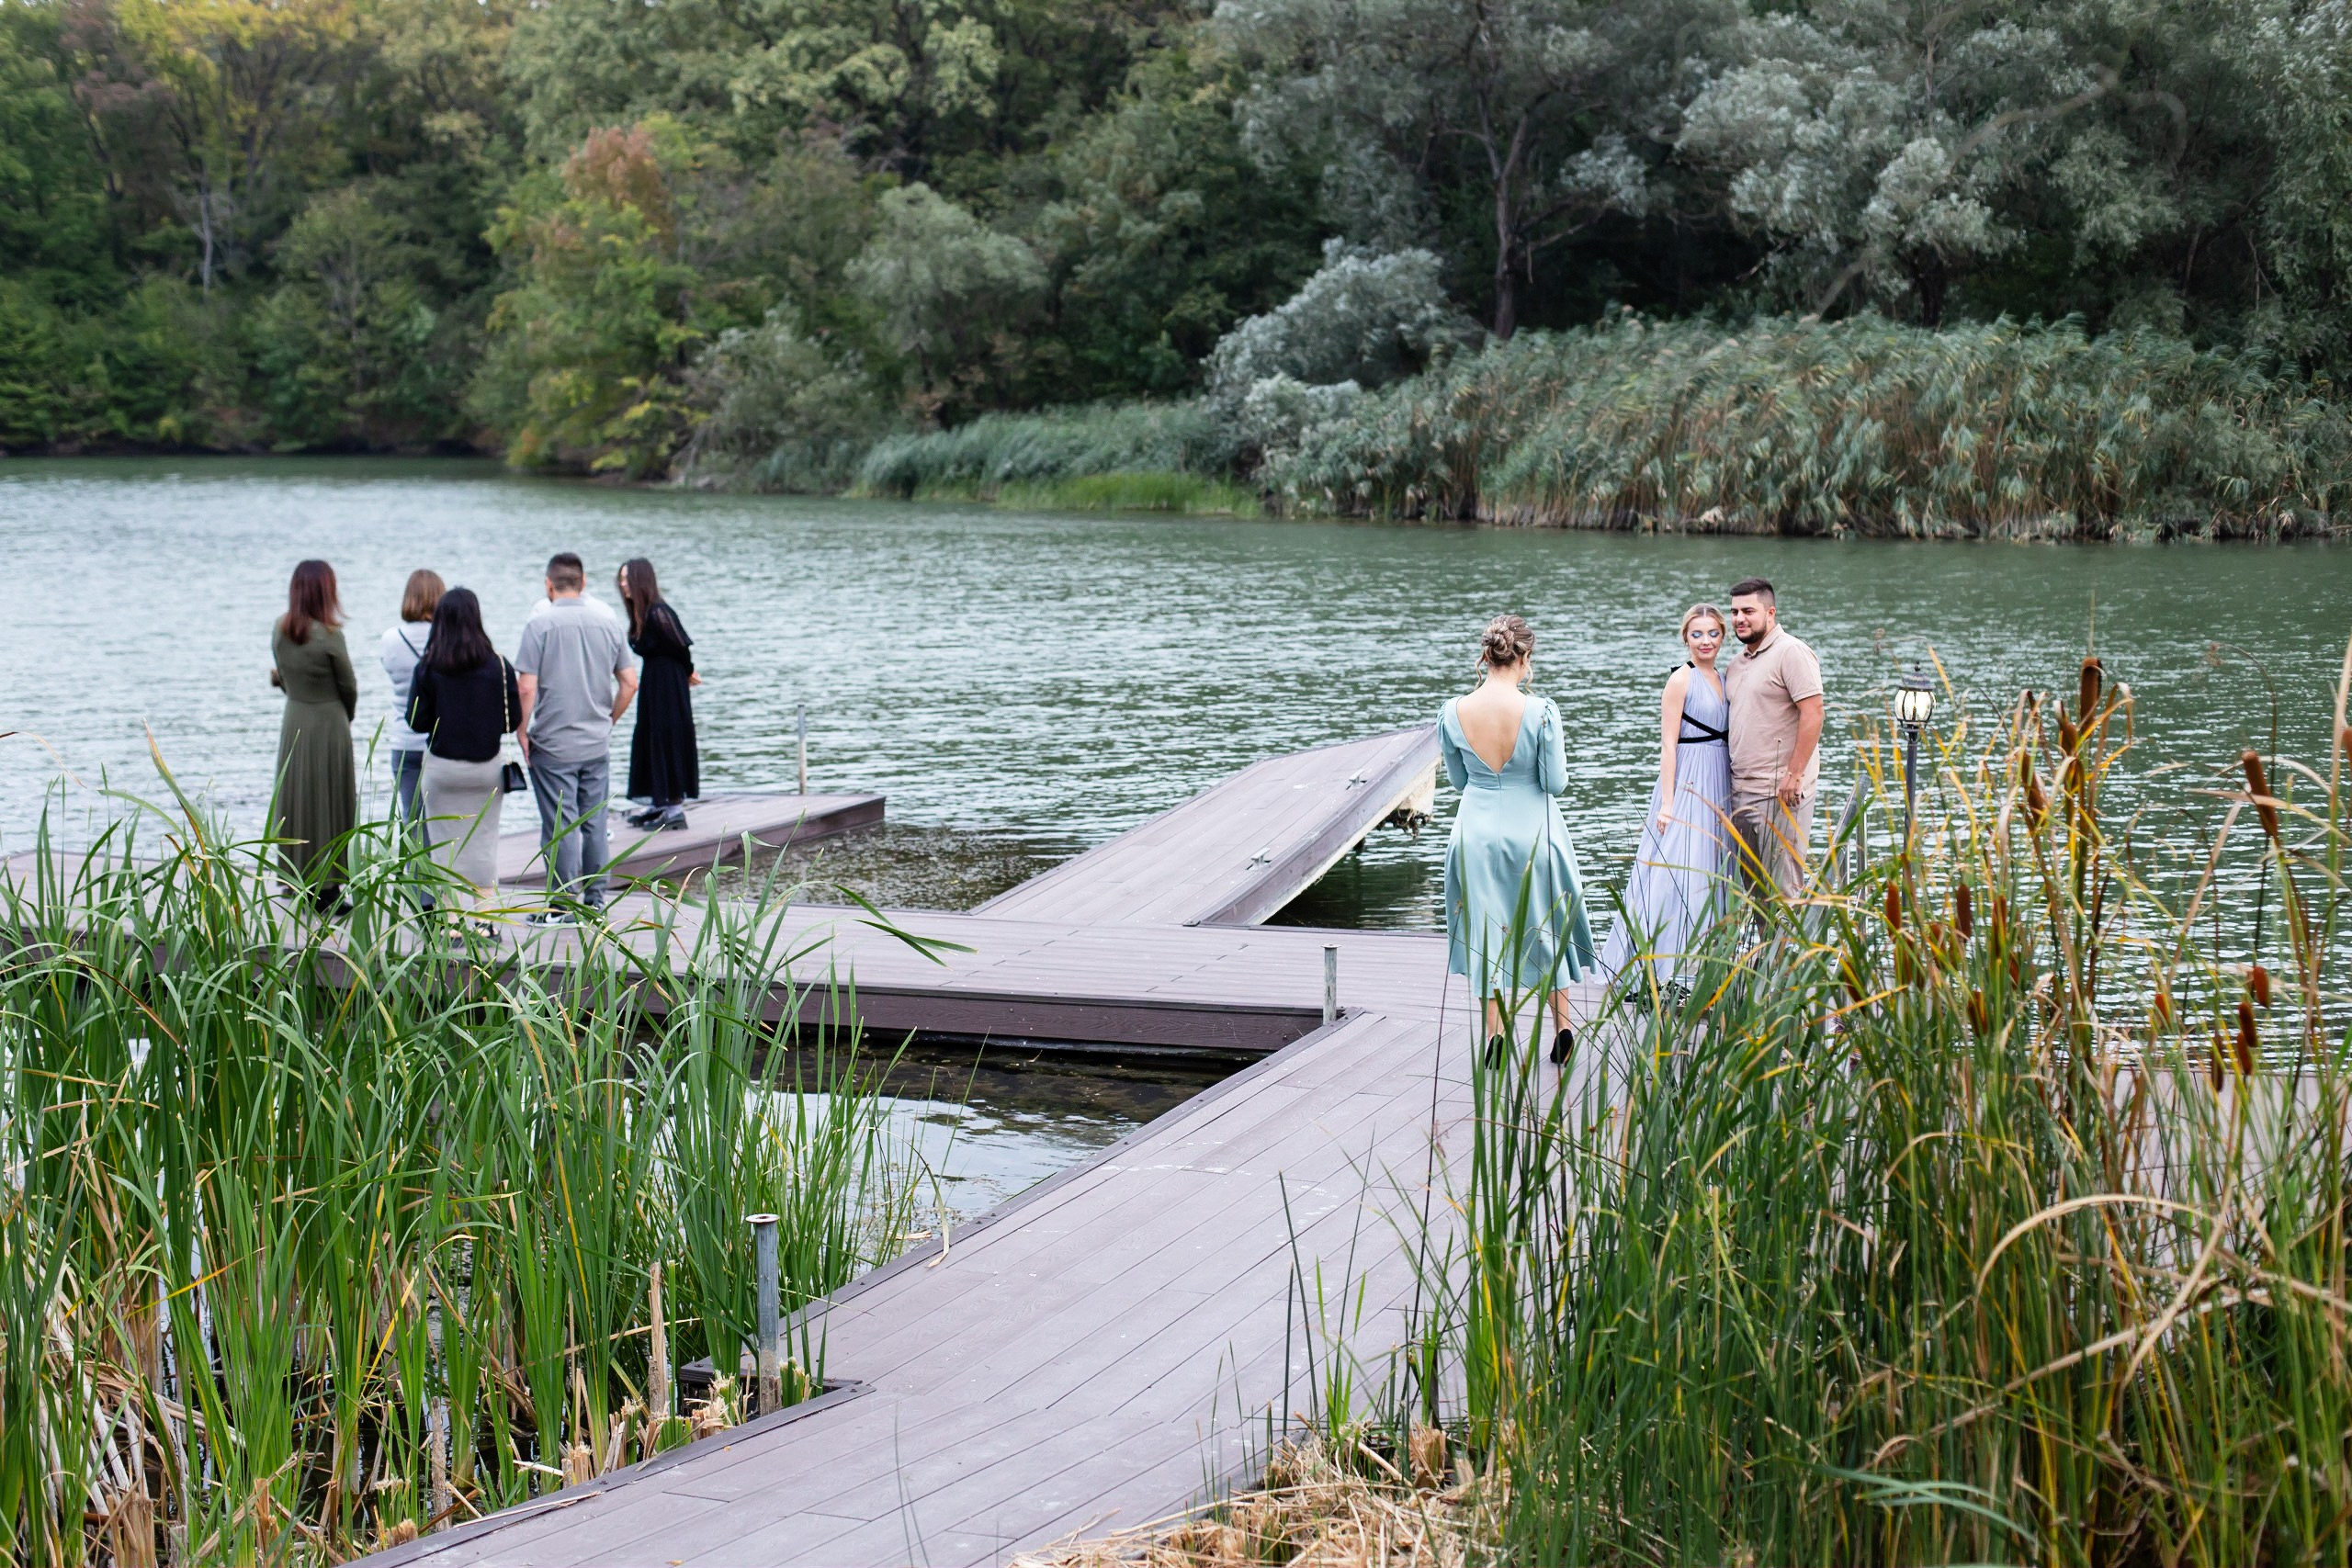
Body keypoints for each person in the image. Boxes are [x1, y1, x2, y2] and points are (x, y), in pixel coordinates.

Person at [1439, 614, 1597, 1068]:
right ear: (1524, 658)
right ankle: (1563, 1028)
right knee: (1547, 924)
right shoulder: (1542, 711)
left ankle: (1495, 1036)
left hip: (1477, 831)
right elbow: (1556, 782)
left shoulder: (1452, 711)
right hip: (1534, 829)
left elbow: (1457, 779)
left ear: (1486, 656)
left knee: (1487, 929)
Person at [1600, 604, 1736, 987]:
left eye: (1712, 633)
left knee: (1709, 870)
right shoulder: (1681, 679)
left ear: (1722, 637)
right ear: (1685, 638)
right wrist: (1668, 803)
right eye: (1697, 634)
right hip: (1689, 778)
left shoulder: (1725, 678)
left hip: (1718, 779)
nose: (1705, 641)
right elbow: (1668, 746)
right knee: (1675, 868)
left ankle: (1703, 966)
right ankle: (1653, 970)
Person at [515, 551, 637, 919]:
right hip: (595, 741)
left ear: (549, 585)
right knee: (595, 821)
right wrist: (608, 720)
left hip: (553, 743)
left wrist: (522, 731)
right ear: (583, 583)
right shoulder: (608, 624)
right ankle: (596, 899)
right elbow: (630, 683)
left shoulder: (539, 625)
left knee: (560, 825)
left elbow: (526, 687)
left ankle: (561, 906)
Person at [406, 587, 524, 916]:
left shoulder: (427, 667)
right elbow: (511, 721)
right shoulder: (499, 666)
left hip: (442, 770)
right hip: (486, 769)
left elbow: (415, 721)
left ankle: (453, 924)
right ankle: (485, 920)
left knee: (444, 847)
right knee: (484, 842)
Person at [1724, 578, 1825, 899]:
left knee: (1784, 894)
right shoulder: (1736, 664)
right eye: (1735, 611)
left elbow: (1814, 712)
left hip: (1781, 795)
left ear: (1770, 613)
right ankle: (1767, 953)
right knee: (1756, 895)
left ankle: (1789, 952)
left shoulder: (1791, 652)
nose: (1739, 618)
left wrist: (1794, 775)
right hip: (1741, 793)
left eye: (1748, 611)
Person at [269, 558, 358, 904]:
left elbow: (284, 677)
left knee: (297, 799)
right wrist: (344, 717)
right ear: (327, 591)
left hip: (294, 719)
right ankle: (329, 887)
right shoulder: (331, 636)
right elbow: (348, 686)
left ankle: (294, 877)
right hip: (329, 722)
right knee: (331, 800)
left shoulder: (280, 629)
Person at [616, 558, 702, 829]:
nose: (622, 584)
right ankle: (659, 801)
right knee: (650, 734)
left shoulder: (659, 612)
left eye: (626, 579)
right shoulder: (642, 613)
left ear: (641, 581)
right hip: (655, 682)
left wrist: (688, 672)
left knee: (668, 735)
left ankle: (674, 807)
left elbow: (681, 647)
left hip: (669, 683)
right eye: (620, 579)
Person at [379, 569, 444, 834]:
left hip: (404, 740)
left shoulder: (390, 639)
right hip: (440, 742)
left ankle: (412, 875)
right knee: (443, 825)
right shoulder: (447, 640)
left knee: (412, 823)